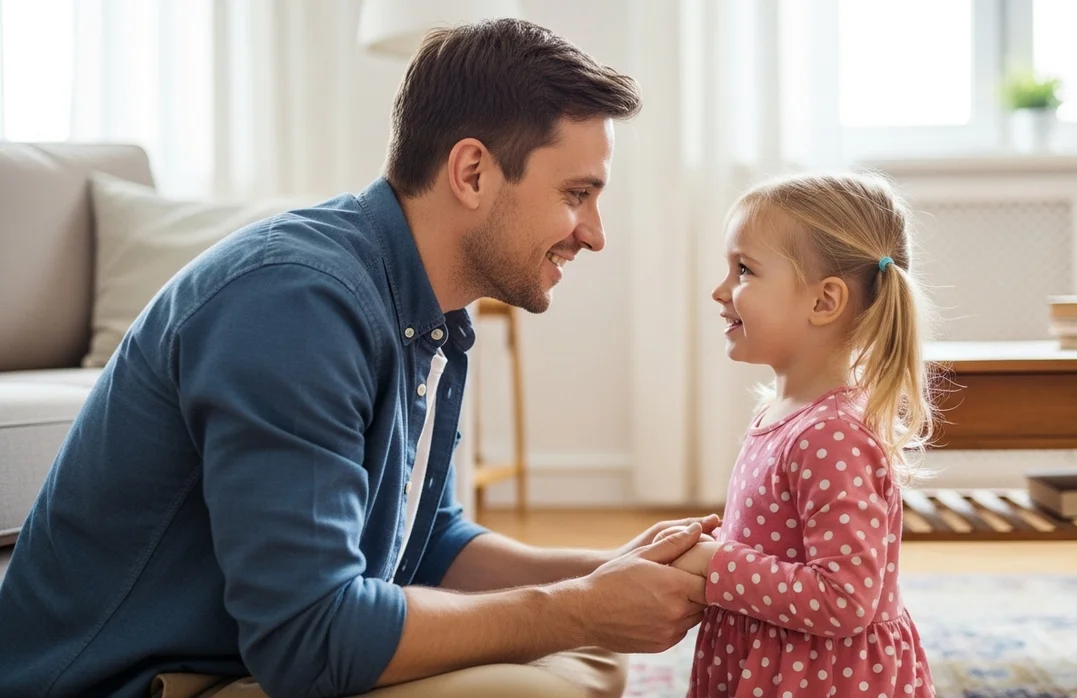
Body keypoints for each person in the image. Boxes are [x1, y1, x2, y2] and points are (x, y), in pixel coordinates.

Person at [0, 19, 718, 698]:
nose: (593, 234)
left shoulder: (423, 312)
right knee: (542, 678)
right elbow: (309, 639)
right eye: (576, 195)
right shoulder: (296, 304)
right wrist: (577, 610)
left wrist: (618, 573)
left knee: (584, 650)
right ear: (472, 172)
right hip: (136, 679)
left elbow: (427, 541)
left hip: (249, 649)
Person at [668, 173, 937, 697]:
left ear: (824, 301)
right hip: (774, 660)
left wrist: (718, 562)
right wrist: (712, 544)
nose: (720, 291)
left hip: (819, 677)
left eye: (743, 270)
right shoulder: (783, 414)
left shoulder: (831, 436)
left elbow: (844, 598)